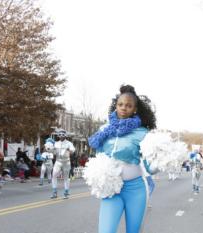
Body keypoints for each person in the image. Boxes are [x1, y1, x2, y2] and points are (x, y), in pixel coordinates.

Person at [88, 84, 157, 233]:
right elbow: (99, 156)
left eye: (128, 105)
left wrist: (157, 164)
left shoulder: (143, 133)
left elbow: (148, 164)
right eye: (120, 104)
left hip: (136, 189)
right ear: (115, 106)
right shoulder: (105, 130)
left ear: (135, 109)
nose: (123, 108)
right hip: (112, 188)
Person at [51, 130, 75, 199]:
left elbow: (73, 150)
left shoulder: (69, 143)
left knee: (66, 178)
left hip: (66, 162)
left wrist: (70, 149)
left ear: (65, 136)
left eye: (63, 135)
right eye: (60, 135)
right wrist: (52, 150)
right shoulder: (56, 143)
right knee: (54, 175)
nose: (61, 136)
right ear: (58, 136)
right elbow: (54, 152)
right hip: (58, 161)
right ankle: (54, 192)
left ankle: (66, 192)